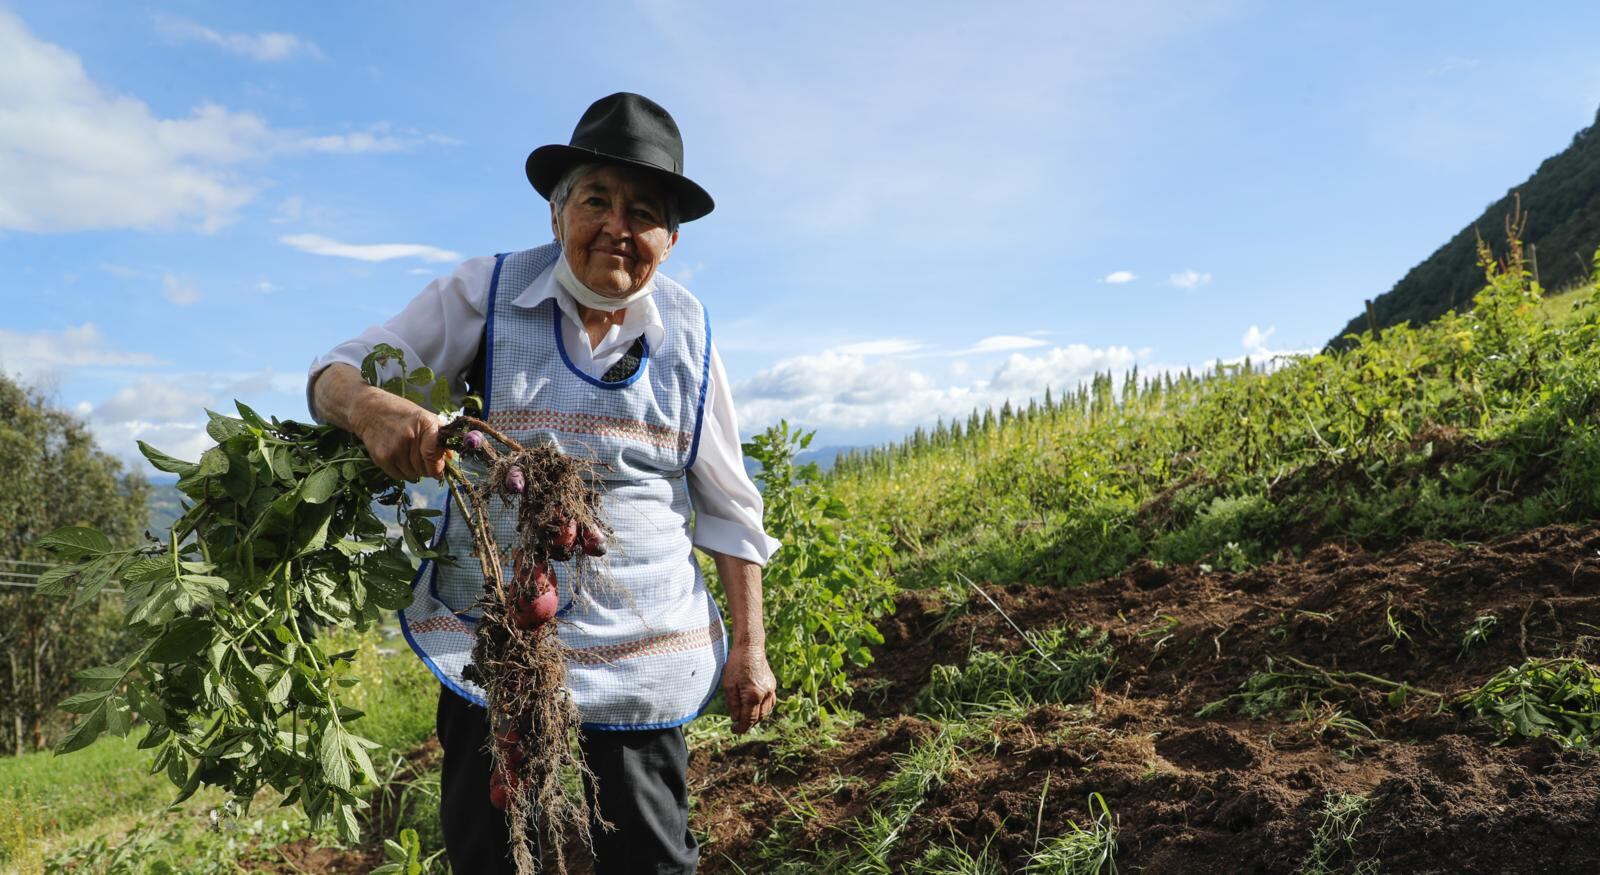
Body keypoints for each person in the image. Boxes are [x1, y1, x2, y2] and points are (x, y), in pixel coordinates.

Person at [306, 92, 780, 874]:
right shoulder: (484, 295)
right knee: (492, 853)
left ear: (670, 237)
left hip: (643, 655)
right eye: (596, 199)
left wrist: (752, 650)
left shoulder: (689, 333)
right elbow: (332, 370)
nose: (617, 227)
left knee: (653, 861)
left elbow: (730, 507)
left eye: (644, 211)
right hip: (497, 648)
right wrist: (368, 407)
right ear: (558, 211)